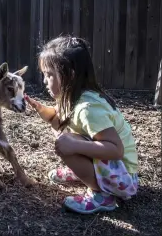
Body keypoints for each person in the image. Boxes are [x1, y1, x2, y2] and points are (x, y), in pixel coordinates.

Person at [25, 36, 138, 214]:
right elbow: (59, 122)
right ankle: (86, 173)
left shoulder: (88, 109)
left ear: (70, 74)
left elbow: (116, 150)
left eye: (49, 75)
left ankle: (102, 195)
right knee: (65, 138)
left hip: (124, 179)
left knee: (65, 143)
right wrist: (42, 110)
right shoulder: (73, 97)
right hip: (114, 169)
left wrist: (74, 145)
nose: (45, 81)